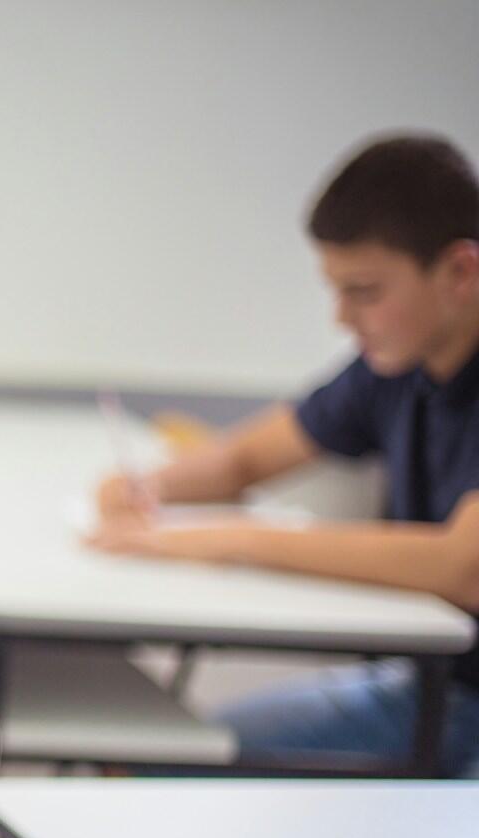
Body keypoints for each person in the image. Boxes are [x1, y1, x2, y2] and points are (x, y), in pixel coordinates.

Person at [92, 134, 479, 774]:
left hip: (449, 703)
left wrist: (234, 538)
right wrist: (145, 487)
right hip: (431, 691)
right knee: (155, 768)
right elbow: (245, 460)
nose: (343, 317)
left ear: (461, 272)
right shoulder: (394, 369)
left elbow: (463, 567)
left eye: (365, 291)